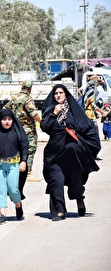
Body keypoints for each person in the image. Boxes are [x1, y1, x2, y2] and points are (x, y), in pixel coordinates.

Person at [40, 84, 100, 221]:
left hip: (72, 154)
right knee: (56, 180)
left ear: (66, 94)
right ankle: (60, 210)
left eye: (61, 92)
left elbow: (85, 126)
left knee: (75, 183)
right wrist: (54, 113)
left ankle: (79, 199)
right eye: (56, 93)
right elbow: (44, 127)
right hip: (54, 153)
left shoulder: (73, 109)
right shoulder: (50, 109)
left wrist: (74, 130)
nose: (58, 95)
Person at [0, 109, 28, 225]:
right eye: (4, 119)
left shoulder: (17, 132)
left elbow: (24, 146)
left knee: (13, 189)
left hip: (14, 165)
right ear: (0, 120)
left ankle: (18, 205)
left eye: (9, 119)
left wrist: (23, 161)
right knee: (0, 189)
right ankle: (2, 214)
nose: (7, 122)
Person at [5, 80, 41, 182]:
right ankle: (27, 174)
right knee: (30, 149)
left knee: (18, 150)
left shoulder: (14, 98)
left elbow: (5, 109)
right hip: (28, 130)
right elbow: (33, 113)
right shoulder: (27, 99)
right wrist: (43, 123)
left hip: (16, 130)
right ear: (30, 89)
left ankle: (16, 172)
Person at [83, 77, 106, 160]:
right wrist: (101, 112)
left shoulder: (89, 90)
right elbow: (92, 105)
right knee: (94, 137)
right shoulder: (91, 91)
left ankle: (92, 155)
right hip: (89, 117)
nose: (99, 84)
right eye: (98, 82)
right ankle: (91, 155)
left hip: (90, 115)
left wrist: (96, 112)